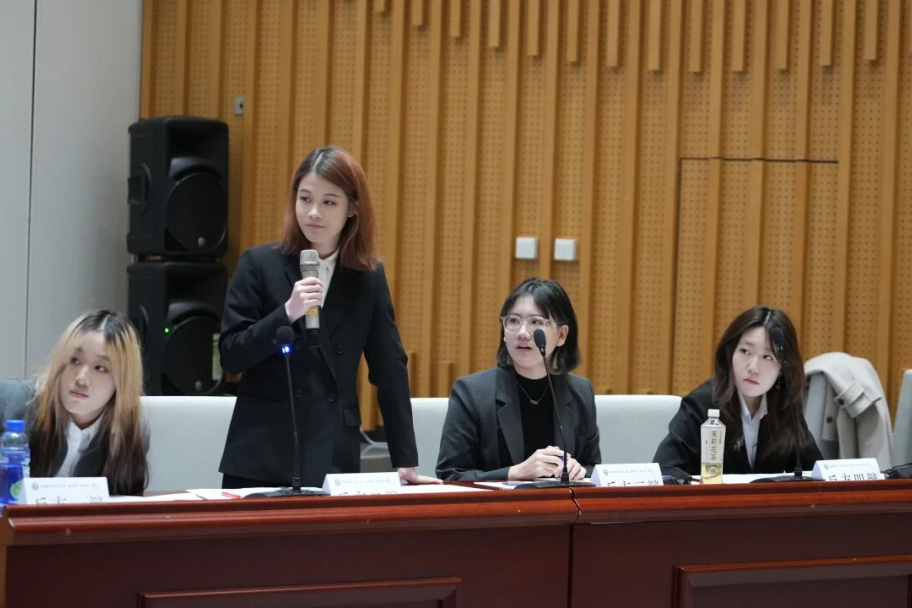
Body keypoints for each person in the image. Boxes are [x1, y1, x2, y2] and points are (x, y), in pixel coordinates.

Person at [219, 145, 437, 489]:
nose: (314, 212)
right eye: (305, 199)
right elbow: (231, 354)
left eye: (329, 202)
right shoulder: (259, 264)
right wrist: (286, 313)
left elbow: (390, 368)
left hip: (333, 450)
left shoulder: (368, 278)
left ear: (353, 208)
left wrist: (405, 459)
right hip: (262, 451)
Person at [436, 278, 601, 481]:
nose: (522, 333)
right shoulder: (472, 393)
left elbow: (594, 468)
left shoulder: (580, 392)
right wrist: (515, 473)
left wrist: (579, 470)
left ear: (561, 335)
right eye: (514, 320)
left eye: (536, 322)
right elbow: (451, 474)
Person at [654, 306, 822, 475]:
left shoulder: (785, 406)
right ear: (730, 353)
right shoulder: (701, 405)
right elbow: (664, 473)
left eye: (767, 357)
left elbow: (817, 474)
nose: (753, 368)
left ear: (783, 367)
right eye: (745, 351)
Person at [0, 310, 148, 495]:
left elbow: (128, 503)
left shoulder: (131, 430)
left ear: (123, 381)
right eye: (74, 360)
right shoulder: (11, 401)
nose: (82, 378)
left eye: (100, 368)